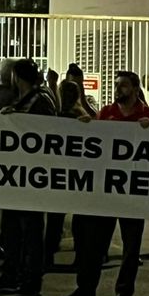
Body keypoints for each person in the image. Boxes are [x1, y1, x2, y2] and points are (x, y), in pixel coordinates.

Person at [62, 71, 149, 296]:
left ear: (136, 89)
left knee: (131, 246)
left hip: (133, 191)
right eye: (117, 85)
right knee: (94, 244)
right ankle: (85, 290)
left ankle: (124, 291)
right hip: (106, 189)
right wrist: (87, 127)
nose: (118, 90)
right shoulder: (106, 113)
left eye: (124, 86)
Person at [0, 58, 56, 296]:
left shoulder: (40, 100)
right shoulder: (24, 101)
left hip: (31, 178)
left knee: (32, 232)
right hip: (15, 177)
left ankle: (30, 280)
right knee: (12, 230)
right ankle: (12, 274)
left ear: (16, 76)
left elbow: (45, 133)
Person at [45, 78, 97, 269]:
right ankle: (80, 256)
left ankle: (48, 256)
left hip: (61, 173)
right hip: (79, 173)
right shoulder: (82, 115)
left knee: (55, 219)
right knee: (79, 220)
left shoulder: (62, 116)